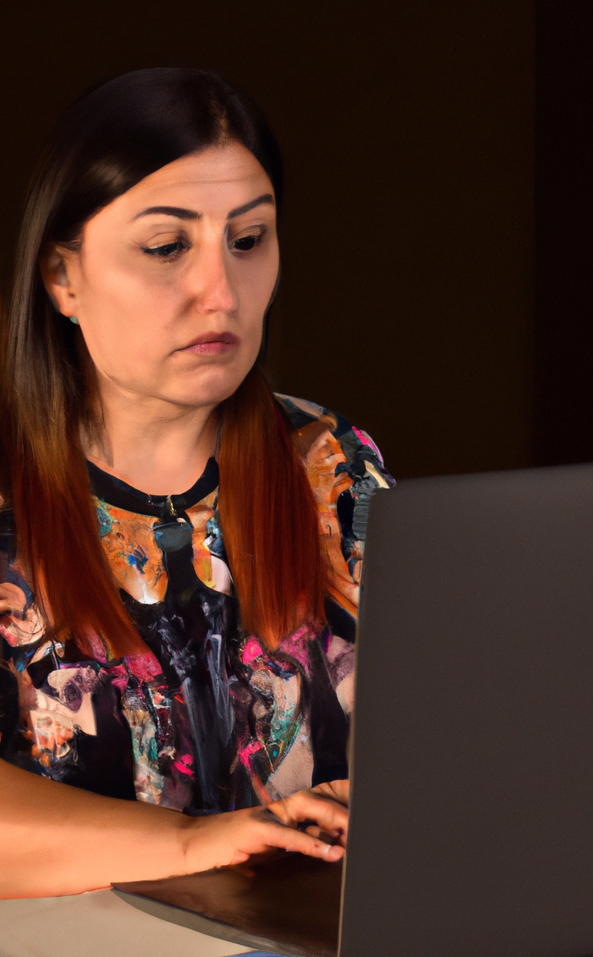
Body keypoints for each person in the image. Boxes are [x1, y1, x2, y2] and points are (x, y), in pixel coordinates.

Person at [0, 68, 394, 898]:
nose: (221, 294)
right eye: (166, 247)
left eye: (247, 241)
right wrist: (194, 844)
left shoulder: (334, 467)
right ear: (62, 277)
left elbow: (459, 723)